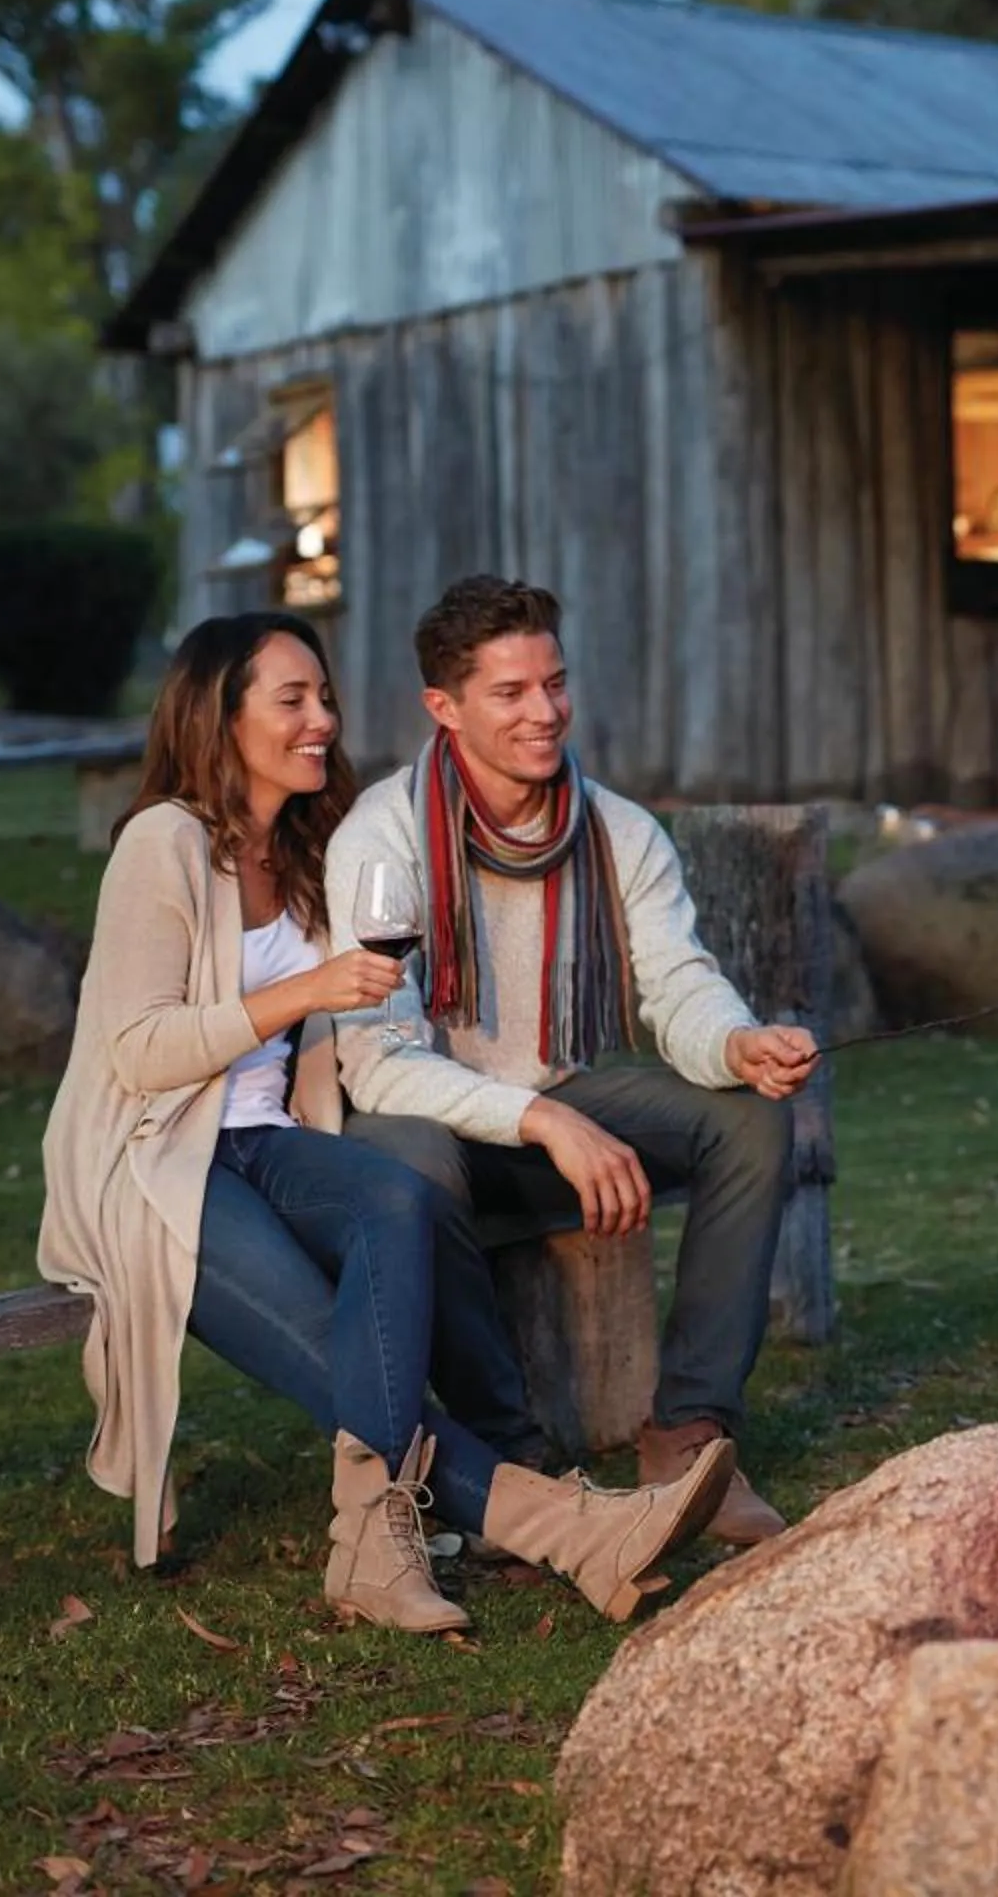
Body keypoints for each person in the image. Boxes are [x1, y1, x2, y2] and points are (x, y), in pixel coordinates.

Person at [36, 612, 737, 1634]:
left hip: (269, 1142)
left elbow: (338, 1044)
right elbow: (136, 1052)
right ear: (217, 717)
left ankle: (389, 1529)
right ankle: (551, 1523)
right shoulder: (165, 842)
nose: (322, 719)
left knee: (396, 1193)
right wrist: (306, 987)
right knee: (336, 1348)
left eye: (324, 697)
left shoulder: (308, 849)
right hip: (151, 1164)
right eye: (293, 700)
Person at [328, 577, 821, 1546]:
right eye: (509, 692)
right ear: (445, 707)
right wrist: (545, 1119)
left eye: (554, 682)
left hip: (559, 1099)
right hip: (442, 1128)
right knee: (408, 1163)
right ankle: (512, 1467)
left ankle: (690, 1438)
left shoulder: (618, 829)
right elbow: (376, 1064)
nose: (544, 710)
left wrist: (732, 1040)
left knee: (750, 1116)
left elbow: (677, 979)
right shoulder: (381, 843)